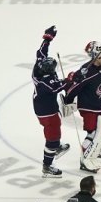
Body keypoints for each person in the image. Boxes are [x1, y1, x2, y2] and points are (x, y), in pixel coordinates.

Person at [62, 42, 101, 173]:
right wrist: (68, 101)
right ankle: (86, 159)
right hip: (89, 108)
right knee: (94, 133)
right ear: (94, 56)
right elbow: (73, 88)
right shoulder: (85, 72)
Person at [32, 25, 71, 178]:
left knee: (57, 125)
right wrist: (71, 79)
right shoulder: (45, 83)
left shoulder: (39, 67)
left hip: (46, 107)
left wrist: (47, 38)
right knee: (52, 136)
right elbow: (59, 86)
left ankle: (56, 145)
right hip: (46, 112)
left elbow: (40, 52)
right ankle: (47, 165)